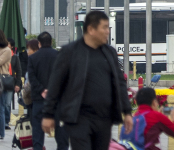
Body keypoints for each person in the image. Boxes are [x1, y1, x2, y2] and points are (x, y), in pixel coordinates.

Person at [43, 11, 132, 150]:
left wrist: (127, 112)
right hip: (78, 118)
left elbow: (119, 83)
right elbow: (55, 84)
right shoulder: (70, 52)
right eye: (104, 27)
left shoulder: (109, 53)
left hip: (104, 118)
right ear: (91, 29)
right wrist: (48, 114)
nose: (107, 32)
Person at [28, 32, 67, 150]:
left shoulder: (33, 58)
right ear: (51, 42)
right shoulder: (60, 56)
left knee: (38, 134)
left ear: (39, 43)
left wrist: (42, 90)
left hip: (39, 100)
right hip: (57, 101)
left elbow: (32, 78)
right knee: (61, 136)